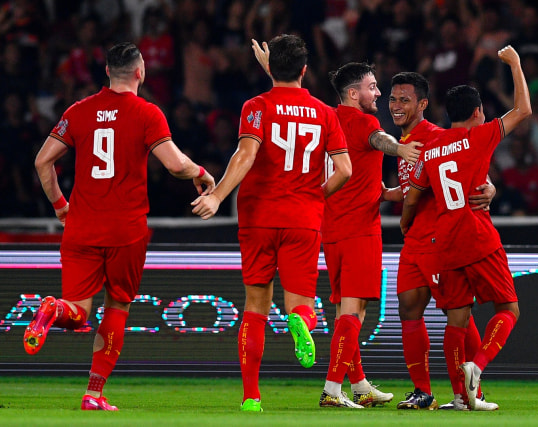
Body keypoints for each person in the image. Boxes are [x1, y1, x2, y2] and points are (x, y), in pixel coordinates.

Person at [27, 42, 215, 411]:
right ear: (141, 73)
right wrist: (202, 172)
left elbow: (41, 162)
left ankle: (52, 308)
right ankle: (93, 393)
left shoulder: (78, 111)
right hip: (124, 230)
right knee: (117, 306)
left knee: (77, 311)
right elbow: (175, 165)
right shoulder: (147, 112)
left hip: (80, 226)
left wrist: (61, 207)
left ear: (108, 73)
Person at [191, 34, 352, 413]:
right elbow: (344, 169)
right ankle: (299, 320)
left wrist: (217, 195)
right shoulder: (325, 113)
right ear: (305, 70)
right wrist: (316, 195)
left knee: (255, 306)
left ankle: (251, 397)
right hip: (303, 217)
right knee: (303, 305)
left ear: (270, 69)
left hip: (258, 217)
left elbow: (245, 155)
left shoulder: (256, 107)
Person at [401, 45, 531, 410]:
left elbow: (414, 195)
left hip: (444, 241)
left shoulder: (432, 145)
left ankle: (460, 396)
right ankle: (478, 366)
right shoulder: (482, 135)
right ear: (477, 112)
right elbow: (523, 110)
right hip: (477, 236)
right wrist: (515, 64)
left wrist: (405, 223)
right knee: (509, 309)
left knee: (456, 320)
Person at [385, 72, 497, 411]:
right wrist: (383, 194)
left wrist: (490, 187)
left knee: (457, 314)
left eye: (405, 100)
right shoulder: (402, 142)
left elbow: (472, 170)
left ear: (422, 104)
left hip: (438, 238)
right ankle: (422, 391)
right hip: (414, 241)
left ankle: (469, 392)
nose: (396, 106)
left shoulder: (435, 135)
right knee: (408, 310)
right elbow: (411, 190)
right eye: (393, 99)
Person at [318, 62, 422, 409]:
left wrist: (392, 192)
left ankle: (359, 385)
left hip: (330, 230)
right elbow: (379, 140)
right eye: (372, 86)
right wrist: (401, 149)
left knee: (345, 314)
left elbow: (367, 182)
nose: (378, 93)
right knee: (354, 311)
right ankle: (333, 390)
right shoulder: (365, 122)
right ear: (353, 93)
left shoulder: (327, 120)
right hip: (360, 230)